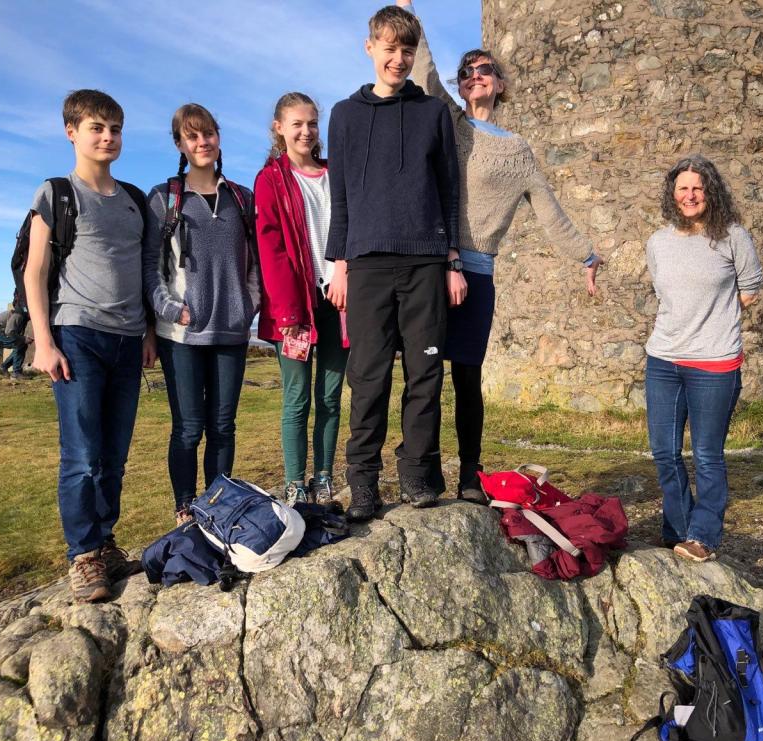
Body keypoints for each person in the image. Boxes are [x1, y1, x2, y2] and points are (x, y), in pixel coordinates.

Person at [399, 0, 599, 504]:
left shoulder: (519, 151)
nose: (473, 77)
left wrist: (586, 256)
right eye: (466, 73)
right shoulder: (450, 122)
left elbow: (549, 211)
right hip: (432, 263)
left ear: (500, 83)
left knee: (467, 376)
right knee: (423, 374)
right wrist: (407, 12)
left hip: (479, 271)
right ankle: (421, 472)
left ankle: (470, 473)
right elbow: (423, 71)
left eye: (483, 70)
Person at [325, 5, 462, 521]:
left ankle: (417, 474)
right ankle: (363, 482)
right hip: (366, 264)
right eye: (389, 48)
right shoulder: (344, 114)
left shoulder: (432, 113)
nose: (399, 59)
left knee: (425, 374)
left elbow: (449, 189)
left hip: (426, 260)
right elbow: (339, 196)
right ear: (370, 48)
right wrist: (338, 260)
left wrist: (450, 258)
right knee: (369, 375)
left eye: (407, 50)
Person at [25, 89, 151, 602]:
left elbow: (145, 273)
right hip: (77, 335)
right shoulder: (57, 193)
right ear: (71, 132)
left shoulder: (134, 199)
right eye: (96, 127)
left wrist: (146, 334)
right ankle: (82, 555)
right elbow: (36, 273)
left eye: (115, 128)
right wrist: (44, 342)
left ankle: (104, 542)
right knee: (81, 455)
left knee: (115, 456)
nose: (107, 137)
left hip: (127, 339)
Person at [143, 103, 260, 523]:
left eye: (208, 133)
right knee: (189, 430)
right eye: (192, 136)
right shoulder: (164, 198)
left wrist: (248, 306)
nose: (203, 142)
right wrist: (172, 309)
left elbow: (256, 263)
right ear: (180, 144)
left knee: (223, 427)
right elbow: (149, 268)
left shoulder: (242, 198)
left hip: (231, 332)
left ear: (218, 137)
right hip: (182, 337)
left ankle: (219, 504)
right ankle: (184, 507)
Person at [644, 155, 763, 563]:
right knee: (664, 451)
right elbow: (665, 296)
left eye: (697, 188)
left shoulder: (733, 237)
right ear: (672, 195)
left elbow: (748, 291)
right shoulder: (658, 242)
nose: (690, 195)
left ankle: (704, 536)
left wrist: (712, 327)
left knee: (708, 455)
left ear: (710, 192)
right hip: (662, 359)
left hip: (714, 363)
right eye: (682, 188)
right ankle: (678, 530)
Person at [255, 93, 349, 507]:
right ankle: (294, 482)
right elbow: (270, 248)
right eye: (296, 124)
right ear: (279, 128)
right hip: (296, 305)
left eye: (312, 123)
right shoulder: (271, 179)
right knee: (298, 396)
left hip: (339, 297)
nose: (306, 131)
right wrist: (289, 311)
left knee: (331, 395)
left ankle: (324, 476)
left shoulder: (335, 173)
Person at [0, 307, 31, 379]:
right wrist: (24, 339)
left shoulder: (21, 315)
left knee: (21, 344)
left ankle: (3, 367)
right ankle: (16, 373)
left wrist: (23, 339)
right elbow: (9, 332)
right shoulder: (18, 315)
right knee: (20, 344)